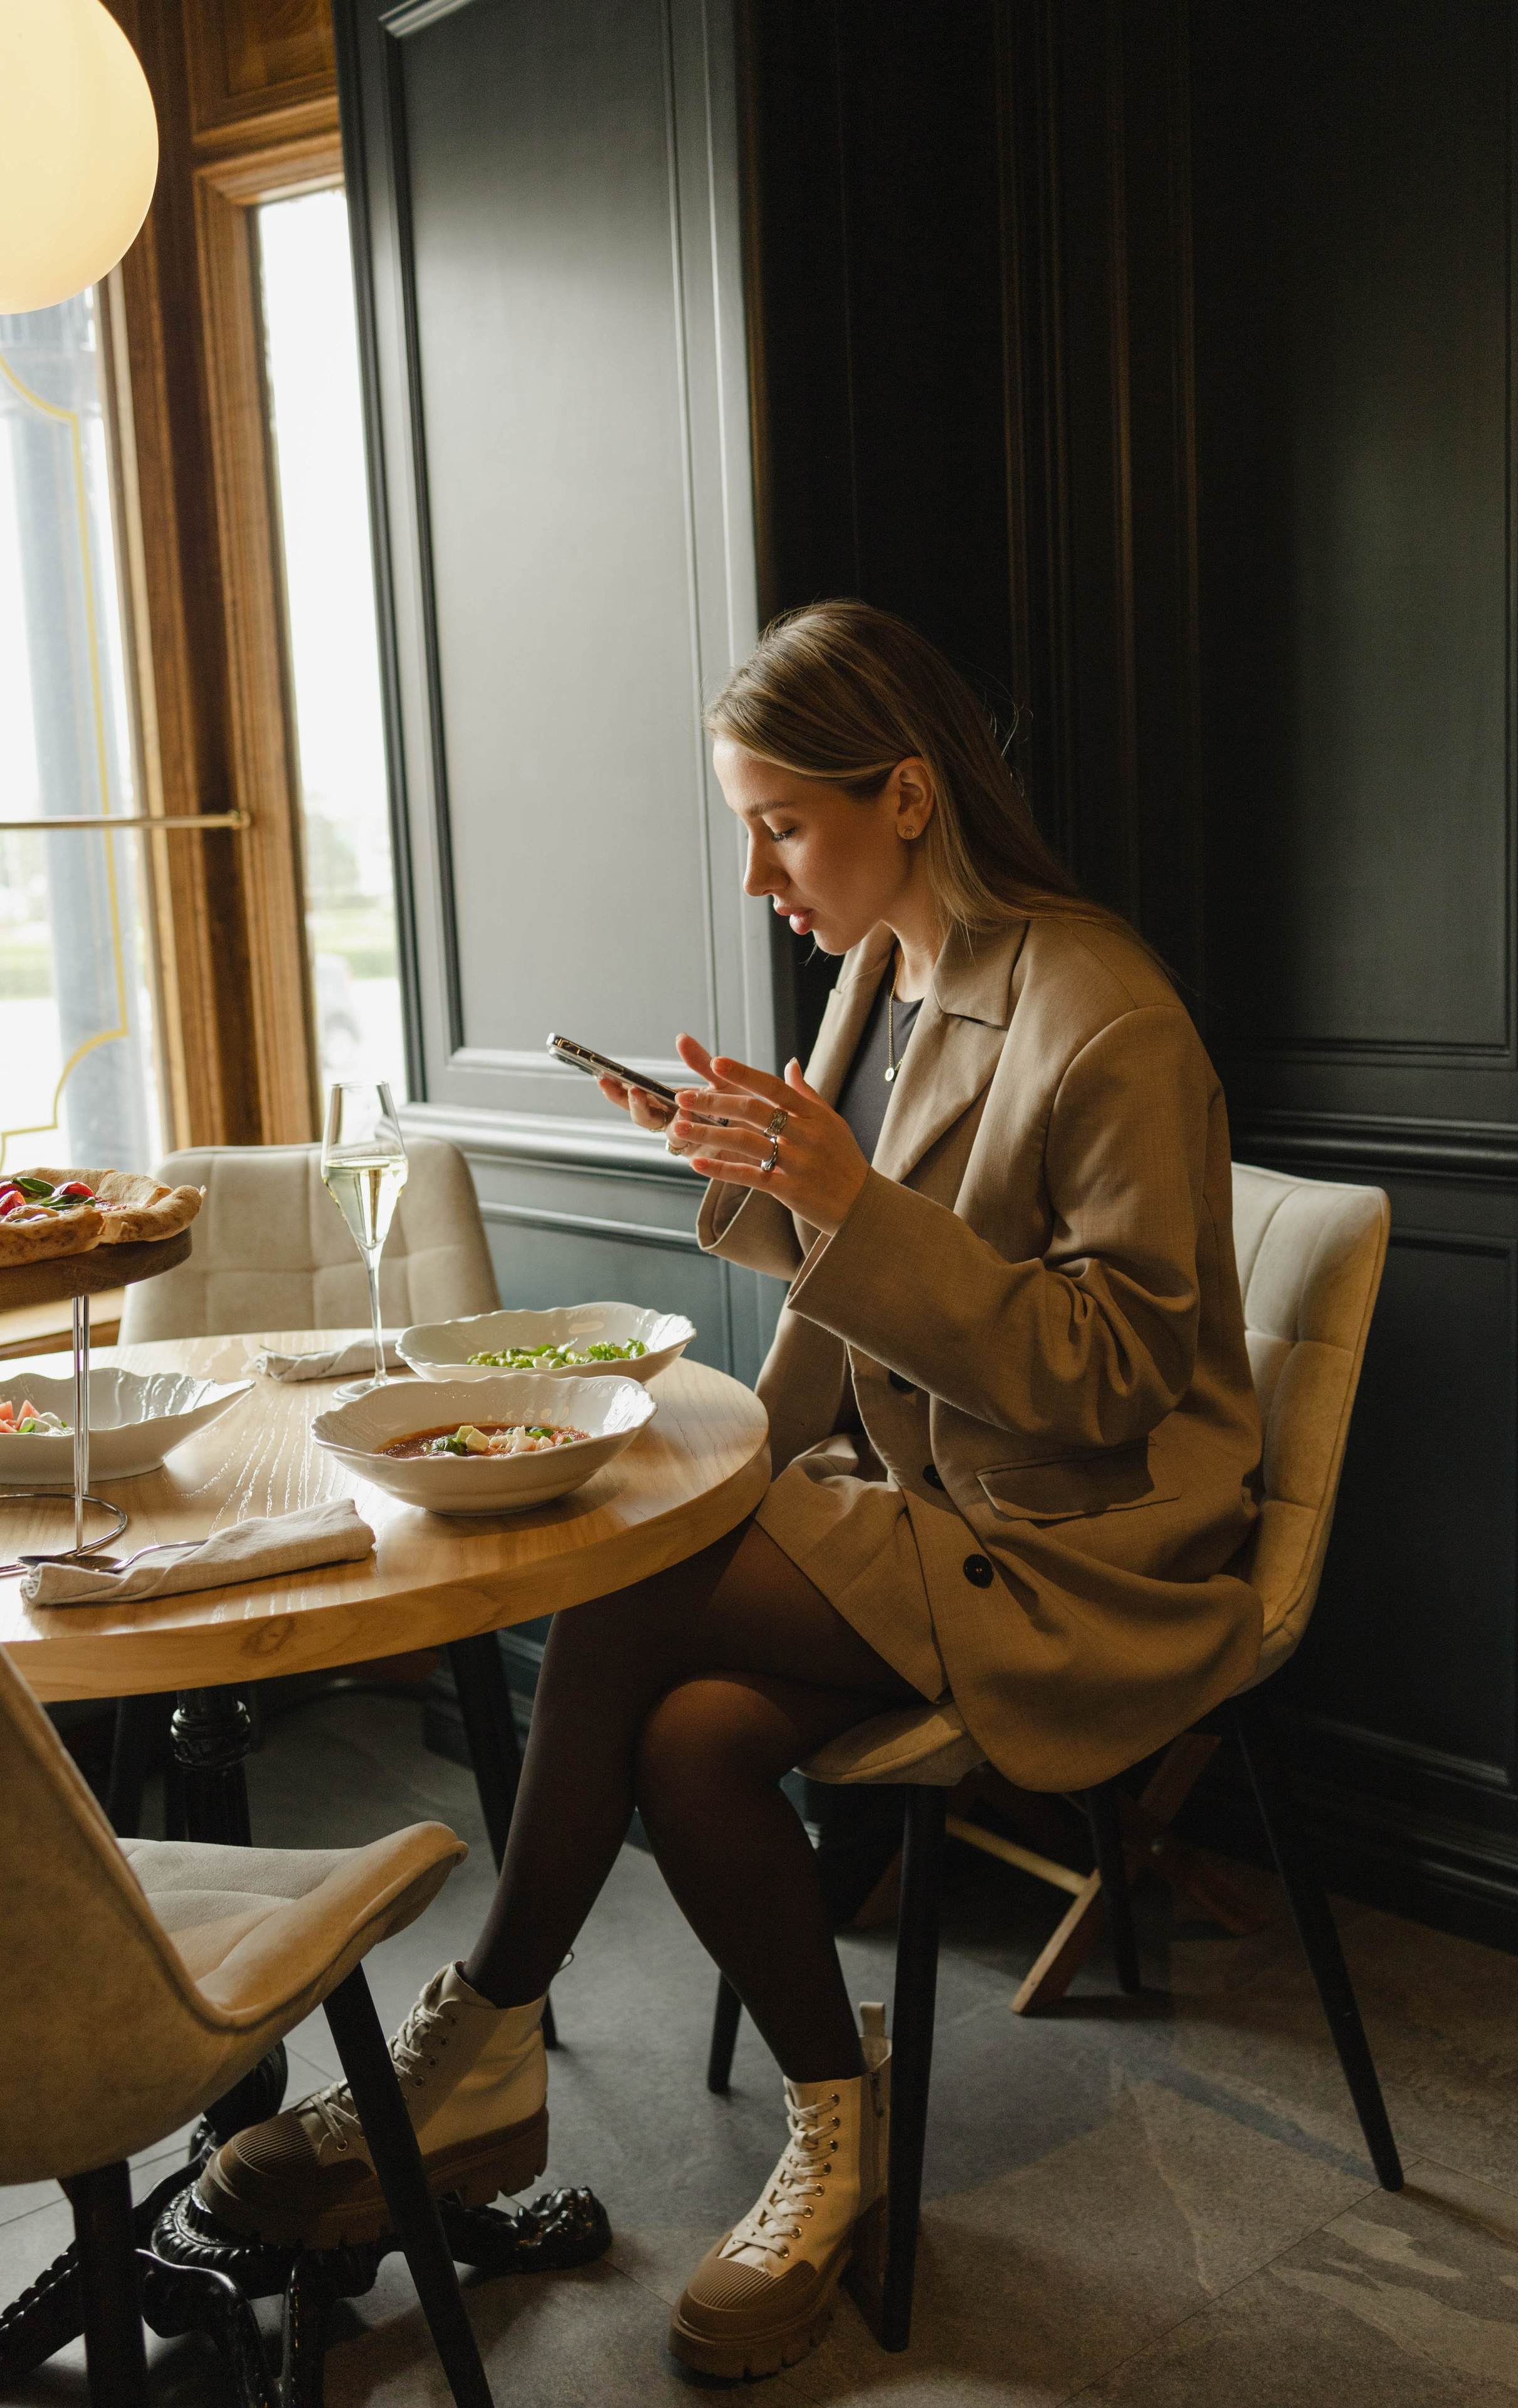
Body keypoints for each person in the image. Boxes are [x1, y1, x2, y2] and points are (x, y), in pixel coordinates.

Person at [199, 600, 1263, 2380]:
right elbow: (887, 1276)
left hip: (1080, 1547)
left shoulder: (1107, 1015)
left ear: (907, 795)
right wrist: (771, 1182)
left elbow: (1115, 1378)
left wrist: (844, 1203)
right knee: (693, 1740)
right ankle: (838, 2126)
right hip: (920, 1500)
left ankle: (482, 2040)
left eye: (782, 826)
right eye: (748, 829)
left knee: (628, 1566)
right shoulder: (880, 975)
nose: (761, 875)